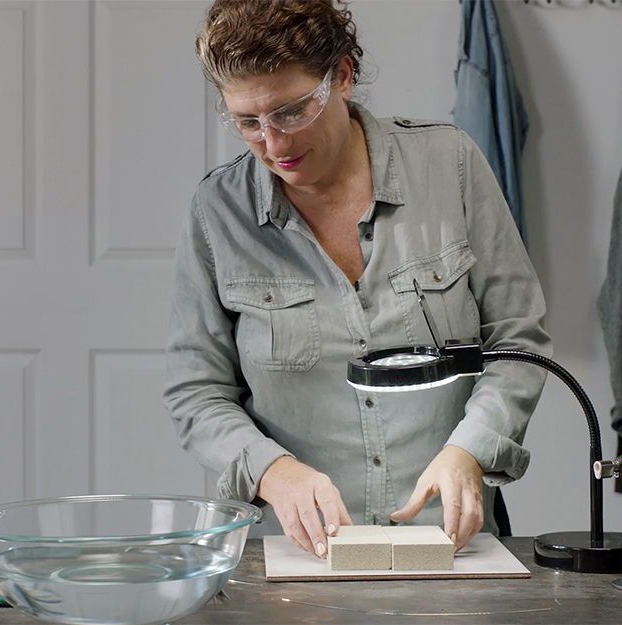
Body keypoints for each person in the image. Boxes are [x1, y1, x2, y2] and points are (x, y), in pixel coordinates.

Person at [163, 0, 551, 560]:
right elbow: (196, 391)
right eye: (248, 122)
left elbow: (518, 340)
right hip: (300, 555)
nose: (274, 145)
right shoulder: (216, 214)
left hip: (451, 544)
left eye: (291, 112)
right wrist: (272, 471)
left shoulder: (452, 167)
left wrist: (470, 449)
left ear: (341, 77)